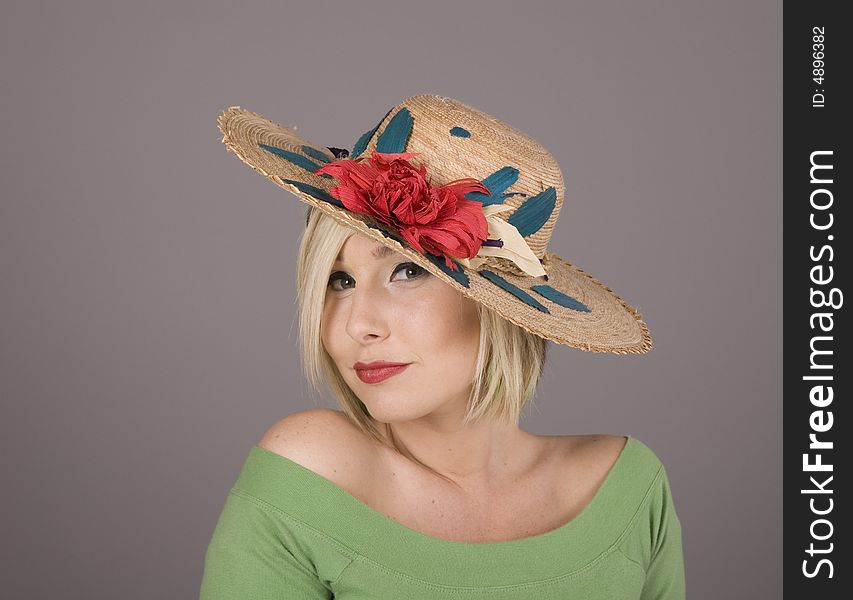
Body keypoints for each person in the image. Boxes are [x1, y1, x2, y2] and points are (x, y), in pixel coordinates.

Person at [200, 94, 686, 599]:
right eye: (339, 282)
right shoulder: (312, 472)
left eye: (407, 271)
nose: (358, 325)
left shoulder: (627, 491)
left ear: (499, 307)